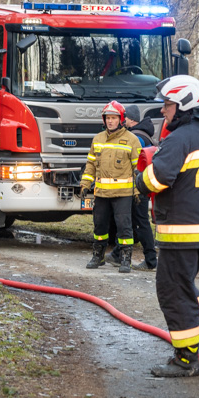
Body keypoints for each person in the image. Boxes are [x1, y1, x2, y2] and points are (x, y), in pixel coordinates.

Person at [135, 75, 199, 377]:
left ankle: (186, 359)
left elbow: (158, 179)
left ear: (184, 105)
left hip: (179, 229)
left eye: (168, 105)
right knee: (184, 282)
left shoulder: (179, 138)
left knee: (172, 290)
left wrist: (140, 178)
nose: (164, 111)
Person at [81, 101, 141, 273]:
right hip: (101, 193)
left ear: (121, 119)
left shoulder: (132, 140)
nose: (110, 121)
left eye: (114, 118)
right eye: (108, 118)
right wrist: (85, 183)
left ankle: (125, 259)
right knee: (99, 225)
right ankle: (98, 256)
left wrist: (138, 192)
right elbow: (91, 165)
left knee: (124, 226)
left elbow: (138, 169)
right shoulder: (98, 139)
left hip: (123, 194)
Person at [105, 104, 158, 272]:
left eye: (123, 118)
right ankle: (117, 254)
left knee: (139, 222)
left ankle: (150, 260)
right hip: (142, 185)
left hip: (136, 187)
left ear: (129, 119)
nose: (121, 121)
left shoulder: (135, 137)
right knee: (132, 222)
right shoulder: (144, 135)